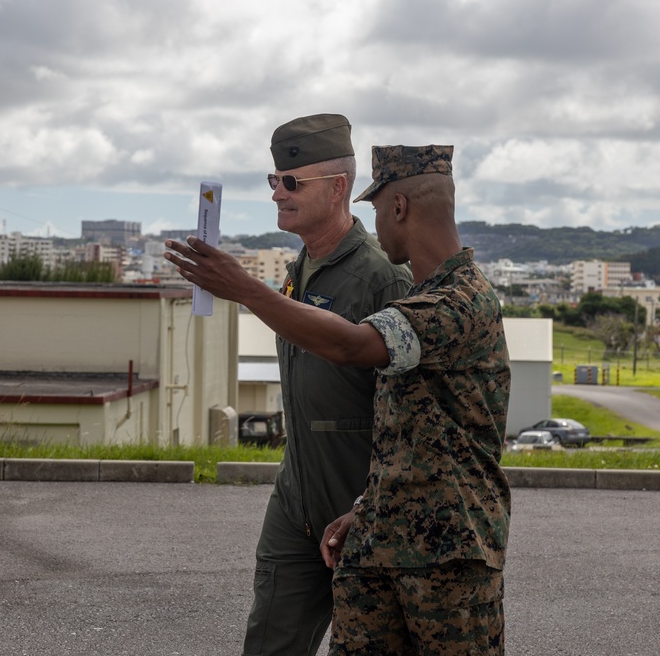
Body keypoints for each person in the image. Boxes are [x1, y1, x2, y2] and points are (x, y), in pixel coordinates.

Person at [164, 145, 511, 655]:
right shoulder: (424, 292)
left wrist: (246, 290)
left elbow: (352, 345)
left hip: (448, 555)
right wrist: (368, 508)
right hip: (378, 537)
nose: (372, 223)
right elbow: (405, 431)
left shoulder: (457, 302)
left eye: (375, 208)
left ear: (399, 209)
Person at [244, 114, 414, 656]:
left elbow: (412, 412)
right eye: (273, 180)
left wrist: (370, 505)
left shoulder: (382, 277)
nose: (277, 193)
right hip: (297, 495)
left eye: (292, 182)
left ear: (338, 188)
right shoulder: (301, 268)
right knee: (269, 642)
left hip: (357, 501)